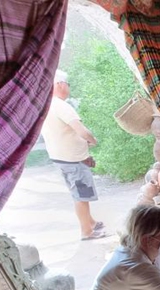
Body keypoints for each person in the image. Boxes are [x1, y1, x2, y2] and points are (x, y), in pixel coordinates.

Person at [40, 70, 106, 240]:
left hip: (60, 157)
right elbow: (81, 130)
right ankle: (86, 231)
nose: (68, 87)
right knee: (81, 196)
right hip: (72, 159)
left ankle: (90, 222)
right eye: (67, 84)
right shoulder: (60, 105)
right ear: (59, 85)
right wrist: (93, 140)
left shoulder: (46, 105)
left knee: (79, 193)